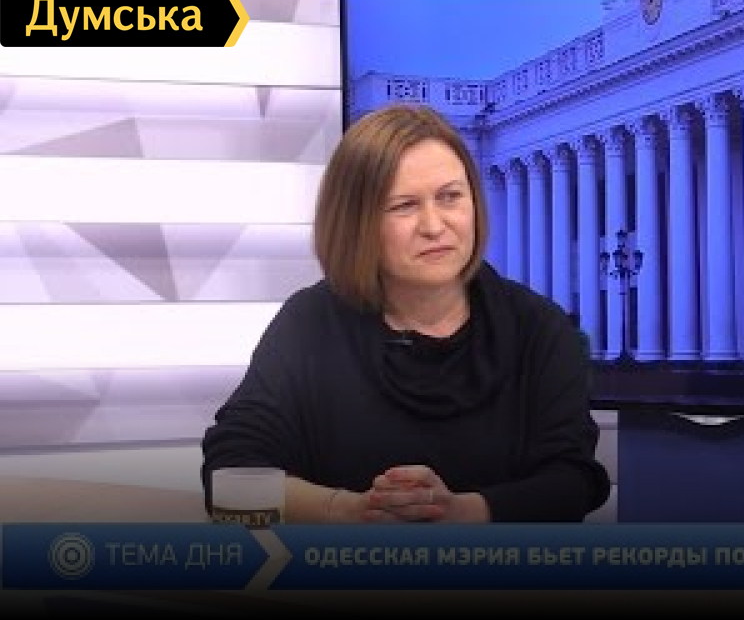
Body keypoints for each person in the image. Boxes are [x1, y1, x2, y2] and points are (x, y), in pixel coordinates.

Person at [201, 104, 611, 523]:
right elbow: (226, 484)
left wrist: (464, 513)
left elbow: (572, 484)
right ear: (355, 222)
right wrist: (347, 512)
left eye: (450, 197)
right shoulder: (308, 325)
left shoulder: (539, 329)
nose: (434, 226)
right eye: (404, 206)